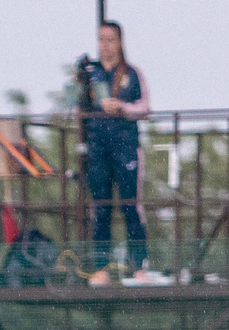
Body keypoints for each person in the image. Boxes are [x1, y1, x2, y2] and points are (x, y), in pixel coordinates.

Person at [79, 21, 162, 286]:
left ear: (120, 42)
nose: (105, 45)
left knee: (130, 205)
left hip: (125, 145)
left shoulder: (133, 73)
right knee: (101, 207)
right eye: (101, 40)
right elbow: (75, 106)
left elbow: (146, 107)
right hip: (98, 147)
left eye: (110, 40)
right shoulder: (90, 75)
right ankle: (100, 268)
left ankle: (138, 266)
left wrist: (123, 107)